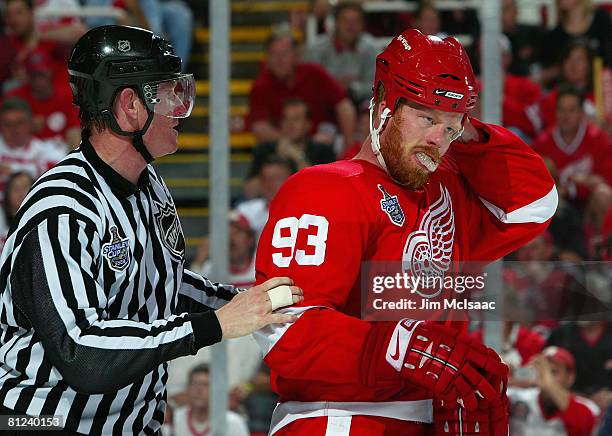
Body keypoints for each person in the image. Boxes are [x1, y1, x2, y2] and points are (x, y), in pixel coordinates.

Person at [0, 25, 303, 435]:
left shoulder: (149, 184)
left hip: (128, 424)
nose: (180, 106)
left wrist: (244, 301)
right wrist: (215, 325)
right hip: (43, 422)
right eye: (166, 92)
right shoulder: (62, 209)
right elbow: (81, 353)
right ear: (129, 105)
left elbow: (159, 283)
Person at [253, 29, 558, 435]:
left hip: (430, 418)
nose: (438, 139)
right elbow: (286, 329)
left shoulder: (450, 192)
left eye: (451, 127)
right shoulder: (325, 189)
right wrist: (406, 348)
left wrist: (464, 129)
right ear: (382, 105)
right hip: (337, 419)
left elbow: (536, 203)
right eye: (426, 117)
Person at [247, 29, 357, 149]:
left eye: (284, 54)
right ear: (267, 58)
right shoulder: (261, 86)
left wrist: (348, 145)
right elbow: (260, 128)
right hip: (281, 149)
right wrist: (292, 147)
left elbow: (344, 107)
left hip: (321, 146)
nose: (279, 60)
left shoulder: (314, 73)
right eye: (274, 55)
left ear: (296, 55)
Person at [507, 346, 600, 436]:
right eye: (542, 371)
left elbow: (583, 427)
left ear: (570, 377)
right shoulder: (517, 398)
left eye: (553, 372)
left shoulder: (588, 408)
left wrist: (549, 384)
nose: (544, 376)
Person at [302, 2, 379, 105]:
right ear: (336, 23)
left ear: (362, 25)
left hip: (361, 104)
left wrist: (352, 88)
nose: (350, 26)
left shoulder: (371, 48)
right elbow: (307, 85)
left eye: (356, 21)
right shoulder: (316, 49)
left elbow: (377, 86)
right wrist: (335, 86)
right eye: (345, 20)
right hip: (323, 104)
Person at [248, 98, 336, 181]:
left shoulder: (323, 151)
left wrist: (298, 157)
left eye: (296, 119)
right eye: (286, 118)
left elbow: (323, 186)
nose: (290, 124)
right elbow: (249, 191)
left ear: (308, 124)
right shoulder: (265, 149)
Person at [0, 97, 66, 201]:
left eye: (20, 123)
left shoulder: (45, 149)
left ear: (31, 123)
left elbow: (61, 170)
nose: (14, 129)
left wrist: (12, 168)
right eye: (8, 124)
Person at [172, 364, 250, 436]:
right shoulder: (175, 420)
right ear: (187, 388)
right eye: (194, 383)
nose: (199, 390)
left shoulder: (233, 423)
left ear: (217, 389)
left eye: (206, 384)